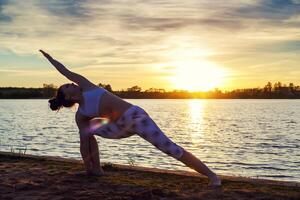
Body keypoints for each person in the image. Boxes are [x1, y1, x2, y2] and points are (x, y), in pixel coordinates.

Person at [39, 50, 221, 187]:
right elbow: (83, 143)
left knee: (170, 148)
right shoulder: (82, 114)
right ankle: (95, 170)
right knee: (87, 130)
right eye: (68, 86)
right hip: (118, 127)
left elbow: (65, 71)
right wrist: (86, 166)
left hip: (136, 118)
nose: (71, 83)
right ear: (69, 97)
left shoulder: (87, 86)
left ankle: (212, 175)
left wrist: (50, 59)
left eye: (70, 83)